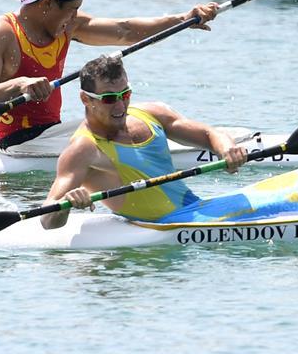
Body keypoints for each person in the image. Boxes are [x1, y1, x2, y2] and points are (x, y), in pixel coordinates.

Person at [0, 0, 219, 151]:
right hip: (20, 144)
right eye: (71, 10)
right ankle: (211, 142)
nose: (73, 18)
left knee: (151, 112)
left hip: (53, 135)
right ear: (46, 4)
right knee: (150, 115)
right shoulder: (0, 33)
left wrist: (183, 19)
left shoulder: (68, 25)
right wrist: (20, 83)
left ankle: (211, 139)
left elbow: (126, 30)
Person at [40, 55, 246, 230]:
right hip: (160, 227)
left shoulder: (151, 113)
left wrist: (227, 149)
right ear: (86, 99)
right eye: (110, 99)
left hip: (196, 210)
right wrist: (68, 202)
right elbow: (47, 219)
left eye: (125, 94)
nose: (121, 105)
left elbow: (209, 133)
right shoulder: (83, 149)